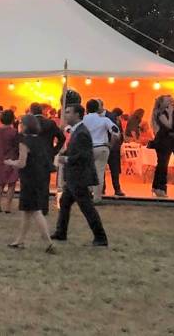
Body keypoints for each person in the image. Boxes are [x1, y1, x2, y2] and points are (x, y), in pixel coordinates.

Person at [51, 103, 108, 246]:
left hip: (79, 177)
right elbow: (77, 150)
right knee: (64, 203)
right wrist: (66, 153)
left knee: (87, 207)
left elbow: (84, 155)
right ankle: (61, 232)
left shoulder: (81, 132)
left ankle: (100, 237)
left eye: (69, 112)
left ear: (77, 115)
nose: (66, 114)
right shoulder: (77, 131)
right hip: (74, 177)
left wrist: (67, 159)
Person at [4, 114, 55, 254]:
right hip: (39, 177)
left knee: (35, 211)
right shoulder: (40, 140)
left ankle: (49, 243)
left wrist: (10, 162)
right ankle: (20, 240)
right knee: (27, 211)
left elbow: (22, 162)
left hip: (29, 179)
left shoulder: (24, 141)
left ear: (25, 126)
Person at [82, 99, 120, 202]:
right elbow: (116, 133)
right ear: (98, 108)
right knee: (99, 172)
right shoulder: (104, 120)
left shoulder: (83, 119)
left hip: (87, 148)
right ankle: (97, 198)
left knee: (87, 171)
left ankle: (87, 193)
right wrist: (111, 144)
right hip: (102, 147)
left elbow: (72, 130)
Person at [151, 95, 174, 197]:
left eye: (172, 100)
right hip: (164, 141)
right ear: (163, 103)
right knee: (162, 165)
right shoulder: (160, 113)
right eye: (169, 100)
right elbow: (168, 125)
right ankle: (160, 188)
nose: (172, 102)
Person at [0, 109, 18, 213]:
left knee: (0, 184)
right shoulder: (14, 132)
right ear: (12, 119)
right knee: (11, 183)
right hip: (11, 159)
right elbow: (17, 146)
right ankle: (8, 207)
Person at [30, 102, 65, 169]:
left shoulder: (27, 123)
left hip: (31, 158)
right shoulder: (50, 123)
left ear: (31, 111)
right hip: (47, 158)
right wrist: (54, 151)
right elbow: (62, 138)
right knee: (44, 178)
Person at [104, 105, 125, 197]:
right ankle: (117, 189)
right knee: (114, 170)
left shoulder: (106, 120)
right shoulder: (116, 121)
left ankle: (103, 188)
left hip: (108, 147)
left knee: (102, 170)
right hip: (114, 148)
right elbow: (119, 134)